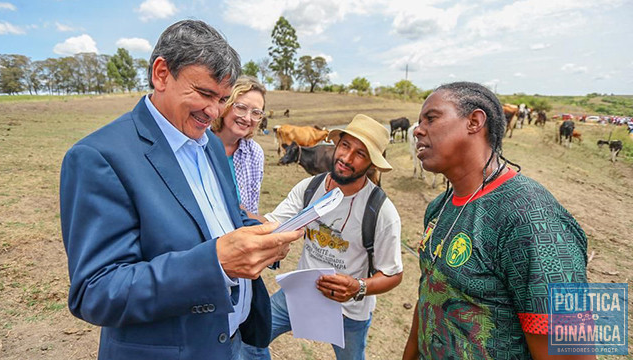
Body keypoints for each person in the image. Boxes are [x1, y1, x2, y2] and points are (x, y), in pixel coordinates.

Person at [59, 20, 302, 360]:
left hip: (232, 344)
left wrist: (261, 236)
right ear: (161, 74)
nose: (214, 112)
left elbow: (222, 223)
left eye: (221, 99)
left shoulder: (211, 146)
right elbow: (96, 292)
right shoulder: (99, 157)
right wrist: (215, 263)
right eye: (204, 94)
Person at [403, 82, 592, 360]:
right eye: (419, 122)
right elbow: (429, 297)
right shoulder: (438, 208)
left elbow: (570, 353)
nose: (418, 130)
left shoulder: (531, 217)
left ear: (475, 121)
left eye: (431, 119)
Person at [243, 114, 404, 360]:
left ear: (372, 163)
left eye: (360, 154)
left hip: (347, 311)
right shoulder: (309, 188)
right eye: (345, 146)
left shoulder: (381, 211)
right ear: (336, 145)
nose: (346, 158)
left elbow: (393, 274)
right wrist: (235, 210)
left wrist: (358, 287)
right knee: (252, 339)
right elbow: (272, 223)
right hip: (298, 295)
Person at [212, 76, 266, 214]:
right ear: (225, 105)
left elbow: (252, 208)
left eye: (256, 113)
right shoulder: (199, 143)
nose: (247, 118)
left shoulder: (254, 152)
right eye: (241, 108)